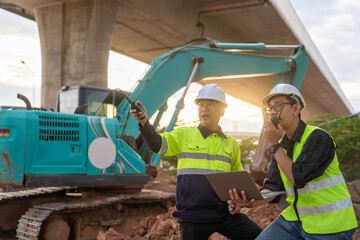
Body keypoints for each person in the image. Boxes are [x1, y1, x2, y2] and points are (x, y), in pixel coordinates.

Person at [130, 84, 262, 240]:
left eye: (210, 104)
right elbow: (157, 144)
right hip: (193, 217)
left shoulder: (231, 144)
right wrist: (145, 123)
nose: (204, 108)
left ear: (222, 110)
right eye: (201, 104)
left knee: (261, 237)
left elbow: (237, 182)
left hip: (224, 215)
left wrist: (237, 203)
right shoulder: (184, 135)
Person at [229, 83, 358, 240]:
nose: (273, 113)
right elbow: (273, 186)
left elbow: (298, 177)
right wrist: (252, 201)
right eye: (270, 108)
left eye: (278, 106)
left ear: (296, 109)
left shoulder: (317, 137)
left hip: (331, 223)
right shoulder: (280, 146)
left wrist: (273, 145)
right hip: (297, 219)